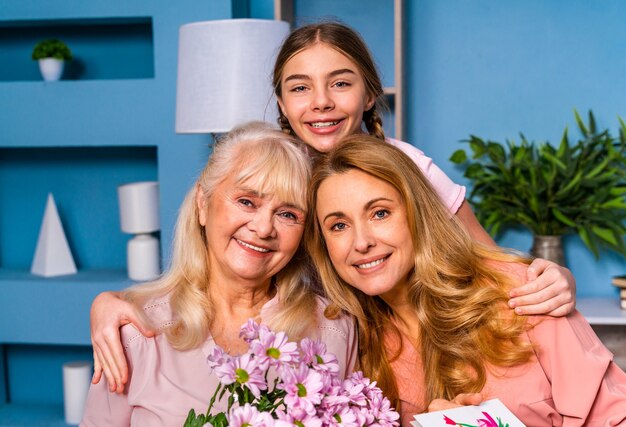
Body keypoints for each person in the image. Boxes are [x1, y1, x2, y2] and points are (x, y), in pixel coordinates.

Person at [90, 21, 576, 393]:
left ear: (368, 94)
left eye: (339, 84)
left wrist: (551, 278)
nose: (320, 103)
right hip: (338, 361)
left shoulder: (407, 167)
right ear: (281, 101)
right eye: (300, 87)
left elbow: (490, 265)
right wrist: (111, 303)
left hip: (429, 353)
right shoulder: (278, 173)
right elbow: (210, 264)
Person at [307, 134, 626, 426]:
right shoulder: (351, 345)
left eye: (380, 213)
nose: (361, 242)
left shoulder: (520, 292)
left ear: (417, 214)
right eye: (338, 226)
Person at [80, 122, 357, 426]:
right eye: (247, 201)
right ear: (202, 202)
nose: (264, 228)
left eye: (288, 214)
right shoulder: (136, 333)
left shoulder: (334, 331)